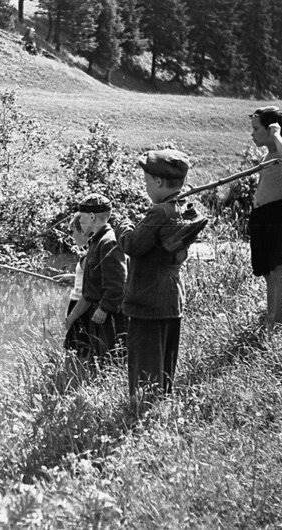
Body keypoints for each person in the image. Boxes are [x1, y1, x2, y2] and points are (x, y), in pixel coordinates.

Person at [116, 149, 198, 400]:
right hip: (171, 298)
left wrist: (123, 224)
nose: (145, 186)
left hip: (148, 299)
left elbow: (132, 245)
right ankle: (160, 406)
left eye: (147, 181)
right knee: (164, 362)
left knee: (144, 365)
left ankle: (142, 411)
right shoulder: (182, 208)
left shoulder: (159, 212)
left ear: (159, 182)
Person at [248, 106, 282, 332]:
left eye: (256, 129)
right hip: (263, 217)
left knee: (278, 270)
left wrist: (277, 134)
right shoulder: (269, 155)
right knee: (268, 272)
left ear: (270, 130)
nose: (252, 133)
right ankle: (271, 317)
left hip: (278, 216)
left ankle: (277, 323)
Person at [75, 193, 127, 361]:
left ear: (92, 217)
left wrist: (104, 308)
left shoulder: (108, 242)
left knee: (109, 360)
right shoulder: (97, 240)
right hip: (99, 311)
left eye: (82, 218)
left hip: (108, 315)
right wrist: (72, 278)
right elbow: (99, 274)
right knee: (99, 358)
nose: (80, 222)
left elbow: (118, 282)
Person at [54, 212, 92, 358]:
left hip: (81, 308)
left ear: (83, 231)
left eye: (73, 231)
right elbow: (91, 279)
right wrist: (73, 278)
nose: (72, 235)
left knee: (76, 353)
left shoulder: (90, 256)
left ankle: (75, 379)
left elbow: (91, 291)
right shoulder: (90, 253)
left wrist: (71, 317)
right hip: (80, 306)